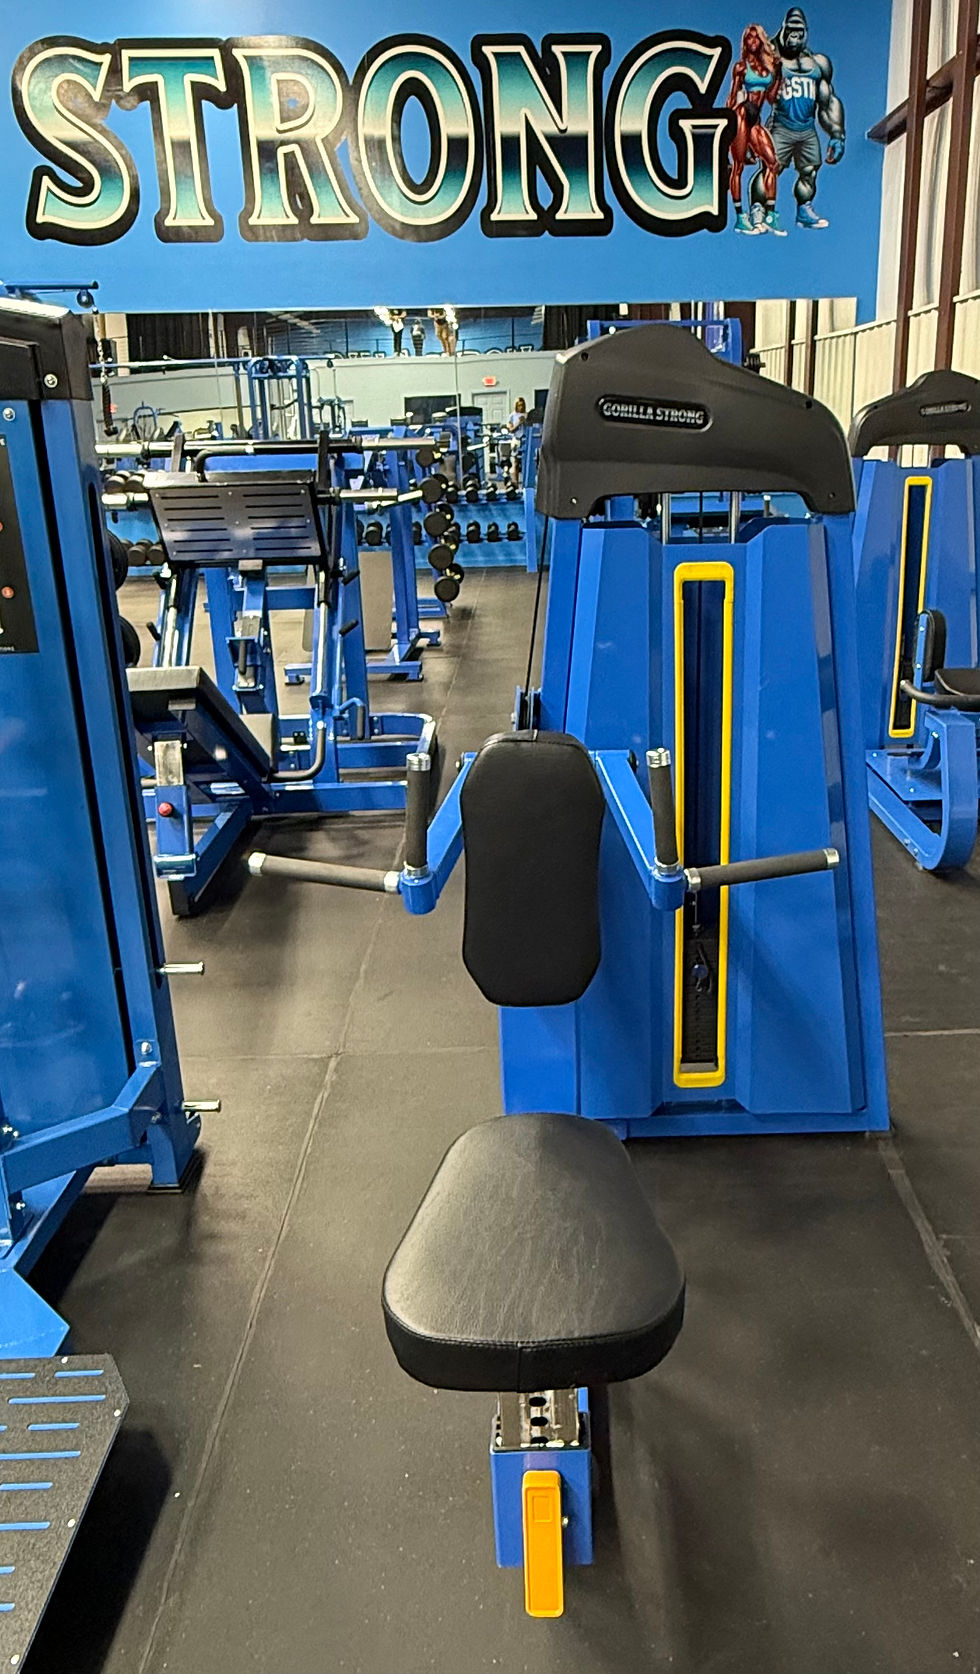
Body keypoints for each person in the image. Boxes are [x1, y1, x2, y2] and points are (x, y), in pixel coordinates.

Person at [750, 7, 846, 231]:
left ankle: (804, 209)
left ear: (806, 33)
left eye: (799, 33)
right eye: (791, 31)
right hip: (781, 125)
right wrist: (748, 136)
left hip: (807, 127)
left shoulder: (817, 64)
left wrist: (837, 134)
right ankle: (757, 208)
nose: (794, 38)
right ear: (783, 30)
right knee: (770, 169)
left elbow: (828, 101)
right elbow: (753, 98)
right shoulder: (769, 58)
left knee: (809, 171)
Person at [728, 25, 783, 236]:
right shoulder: (741, 67)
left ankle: (770, 214)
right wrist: (727, 122)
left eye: (755, 38)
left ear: (760, 41)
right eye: (749, 38)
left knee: (772, 162)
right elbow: (732, 96)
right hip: (742, 115)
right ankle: (741, 216)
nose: (752, 41)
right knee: (739, 166)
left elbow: (770, 98)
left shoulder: (767, 68)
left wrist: (777, 76)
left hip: (756, 119)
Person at [506, 397, 527, 488]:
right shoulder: (512, 416)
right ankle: (516, 482)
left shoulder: (527, 415)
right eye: (518, 405)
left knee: (527, 462)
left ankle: (526, 483)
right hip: (517, 439)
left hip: (526, 439)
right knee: (515, 462)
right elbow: (510, 430)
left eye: (522, 405)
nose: (520, 407)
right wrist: (518, 423)